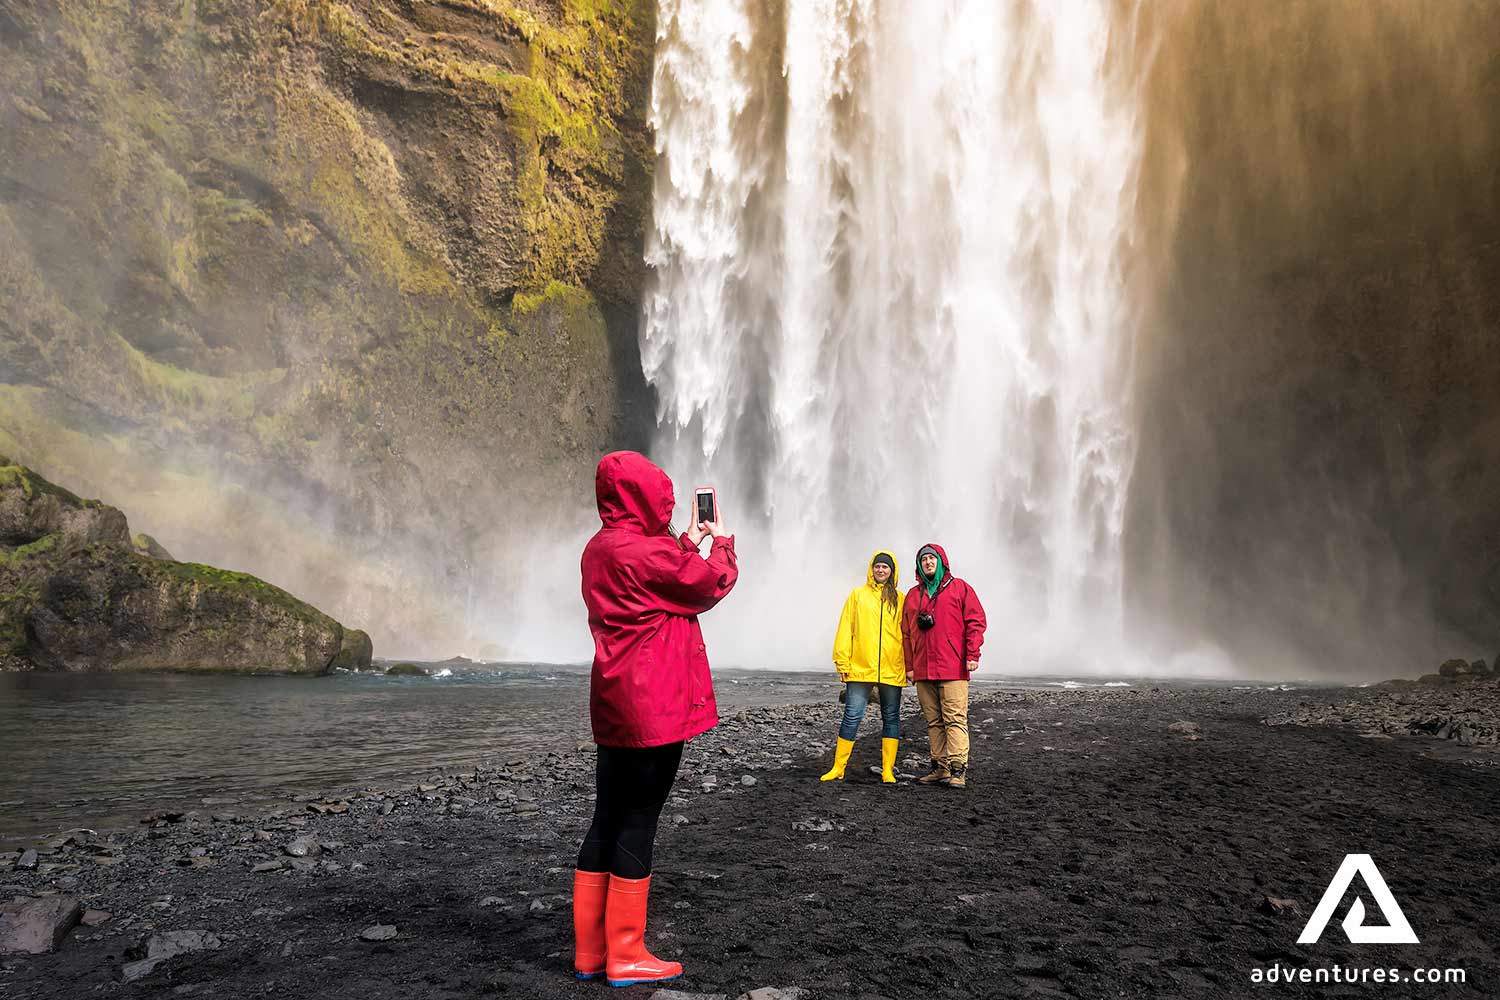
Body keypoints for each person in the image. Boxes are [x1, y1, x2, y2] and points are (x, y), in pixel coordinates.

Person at [573, 451, 738, 987]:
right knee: (641, 817)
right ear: (645, 497)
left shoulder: (600, 549)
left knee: (607, 815)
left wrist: (685, 539)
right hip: (656, 703)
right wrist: (723, 542)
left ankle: (591, 952)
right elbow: (705, 584)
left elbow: (660, 578)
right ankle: (627, 955)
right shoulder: (646, 555)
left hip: (615, 701)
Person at [901, 543, 986, 789]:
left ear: (942, 561)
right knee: (933, 721)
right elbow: (906, 633)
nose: (928, 562)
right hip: (923, 668)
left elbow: (976, 621)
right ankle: (940, 767)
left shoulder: (960, 588)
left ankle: (958, 770)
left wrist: (973, 654)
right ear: (919, 566)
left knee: (955, 718)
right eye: (923, 559)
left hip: (953, 666)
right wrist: (910, 665)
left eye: (932, 558)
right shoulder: (913, 595)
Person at [820, 550, 908, 783]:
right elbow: (845, 628)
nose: (881, 570)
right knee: (851, 715)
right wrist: (842, 661)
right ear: (872, 569)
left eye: (885, 567)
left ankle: (888, 770)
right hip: (860, 667)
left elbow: (908, 635)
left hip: (891, 667)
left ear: (892, 571)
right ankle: (838, 767)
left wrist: (910, 665)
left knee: (891, 717)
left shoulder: (901, 599)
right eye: (877, 566)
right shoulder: (857, 595)